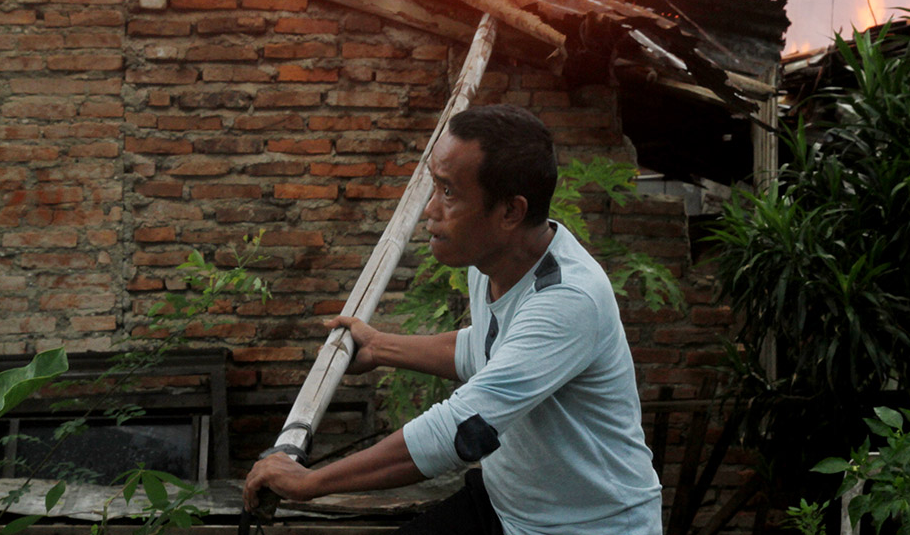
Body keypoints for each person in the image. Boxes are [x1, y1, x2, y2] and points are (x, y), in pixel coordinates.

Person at [244, 104, 663, 534]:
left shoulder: (568, 300)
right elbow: (484, 348)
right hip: (508, 506)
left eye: (448, 193)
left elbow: (465, 428)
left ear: (509, 213)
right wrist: (379, 346)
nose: (429, 210)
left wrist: (309, 482)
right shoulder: (492, 262)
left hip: (589, 525)